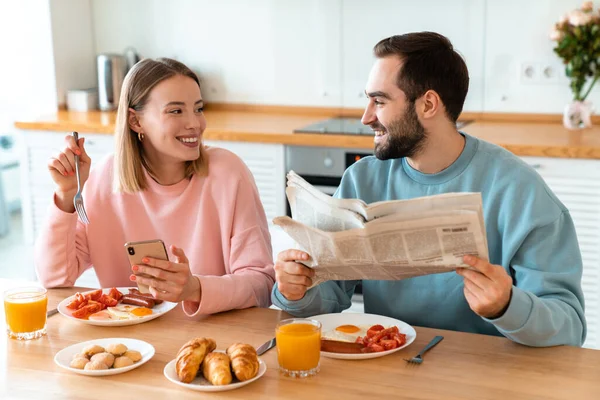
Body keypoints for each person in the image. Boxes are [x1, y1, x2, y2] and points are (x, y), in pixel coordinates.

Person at [272, 32, 586, 347]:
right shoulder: (361, 179)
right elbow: (330, 296)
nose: (366, 117)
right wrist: (296, 289)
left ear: (428, 104)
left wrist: (507, 306)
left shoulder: (520, 190)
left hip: (487, 377)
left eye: (379, 101)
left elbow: (570, 326)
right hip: (389, 362)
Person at [35, 58, 275, 317]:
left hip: (213, 341)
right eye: (175, 111)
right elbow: (54, 278)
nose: (195, 123)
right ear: (135, 121)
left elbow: (261, 285)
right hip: (130, 343)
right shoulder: (104, 178)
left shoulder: (228, 173)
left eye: (198, 108)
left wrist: (195, 289)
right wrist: (67, 195)